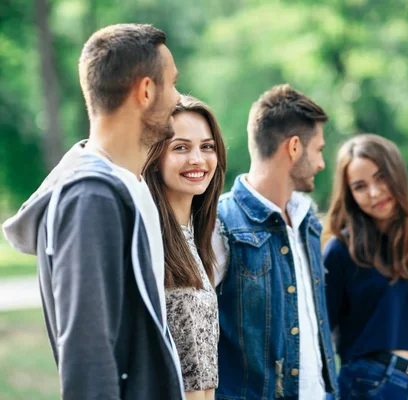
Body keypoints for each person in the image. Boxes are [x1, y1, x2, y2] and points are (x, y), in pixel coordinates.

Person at [2, 24, 185, 399]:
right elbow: (88, 354)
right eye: (173, 83)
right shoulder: (91, 197)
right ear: (146, 91)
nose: (179, 98)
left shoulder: (129, 187)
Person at [213, 84, 339, 399]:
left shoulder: (308, 222)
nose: (322, 163)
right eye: (319, 149)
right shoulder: (220, 223)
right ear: (294, 147)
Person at [323, 134, 408, 400]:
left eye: (381, 177)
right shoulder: (342, 250)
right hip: (365, 384)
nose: (374, 193)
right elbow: (320, 338)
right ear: (350, 194)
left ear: (396, 173)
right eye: (360, 186)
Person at [142, 95, 226, 400]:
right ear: (155, 157)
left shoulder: (197, 240)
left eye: (207, 146)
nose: (198, 159)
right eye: (180, 147)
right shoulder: (146, 240)